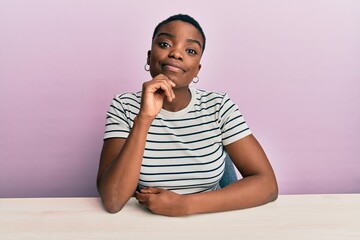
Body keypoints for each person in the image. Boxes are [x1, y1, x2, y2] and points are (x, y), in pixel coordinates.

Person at [96, 14, 278, 216]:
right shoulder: (124, 106)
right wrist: (144, 119)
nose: (176, 53)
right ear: (149, 57)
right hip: (148, 226)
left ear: (197, 69)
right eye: (165, 44)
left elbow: (267, 185)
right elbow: (112, 200)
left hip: (210, 221)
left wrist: (184, 205)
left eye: (190, 50)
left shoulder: (218, 106)